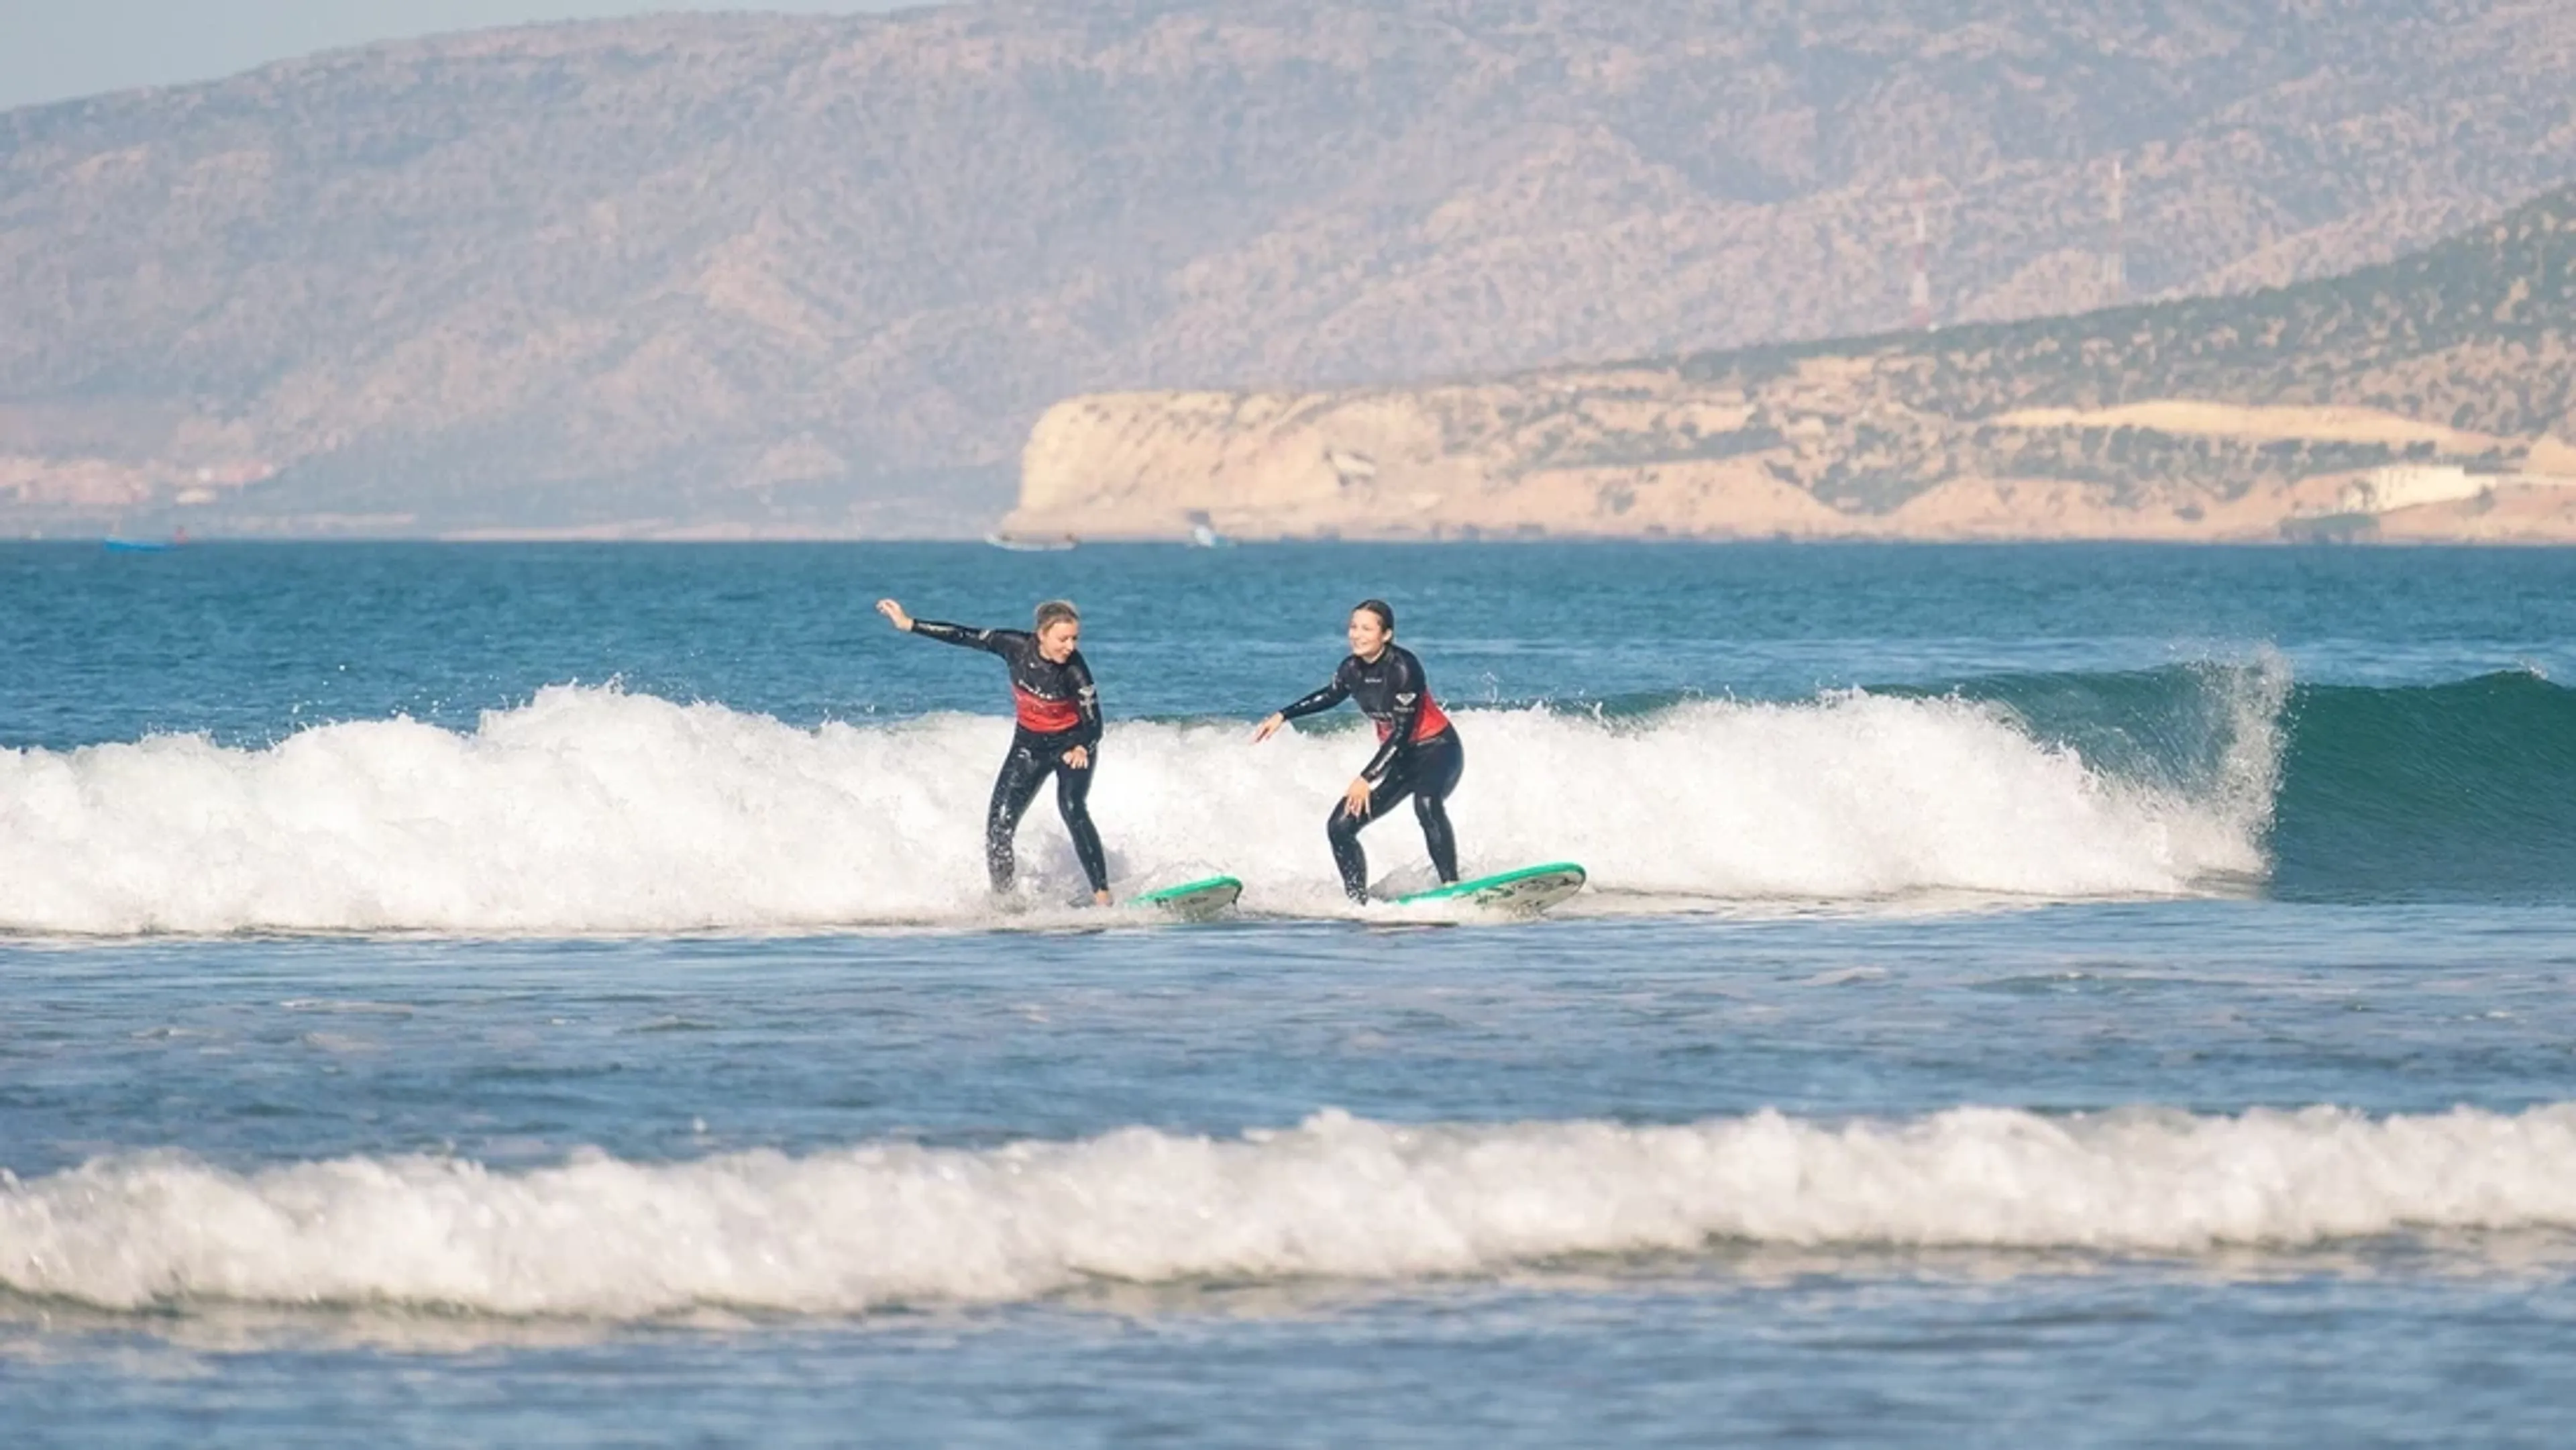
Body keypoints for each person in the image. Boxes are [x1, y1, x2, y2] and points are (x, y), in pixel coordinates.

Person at [877, 597, 1112, 905]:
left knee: (1072, 807)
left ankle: (1103, 895)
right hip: (1029, 747)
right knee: (999, 826)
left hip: (1072, 746)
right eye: (1063, 639)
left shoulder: (1076, 670)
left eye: (1074, 639)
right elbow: (964, 635)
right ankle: (1004, 901)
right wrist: (910, 625)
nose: (1070, 646)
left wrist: (1082, 745)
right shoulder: (1013, 645)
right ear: (1041, 634)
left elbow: (1095, 723)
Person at [1252, 599, 1463, 902]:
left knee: (1427, 803)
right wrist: (1283, 715)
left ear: (1386, 635)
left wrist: (1366, 778)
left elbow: (1402, 733)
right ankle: (1357, 901)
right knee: (1340, 826)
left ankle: (1452, 887)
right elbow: (1331, 695)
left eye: (1367, 628)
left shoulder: (1404, 668)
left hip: (1438, 750)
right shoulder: (1351, 669)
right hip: (1400, 761)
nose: (1357, 634)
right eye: (1353, 627)